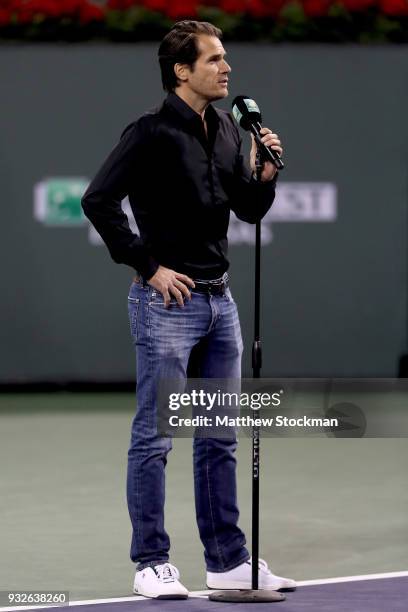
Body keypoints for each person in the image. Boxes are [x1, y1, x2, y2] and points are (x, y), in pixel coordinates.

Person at [81, 19, 296, 600]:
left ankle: (228, 562)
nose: (227, 68)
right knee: (156, 437)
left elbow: (247, 210)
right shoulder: (149, 133)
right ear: (182, 70)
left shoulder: (227, 129)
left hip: (219, 304)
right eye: (214, 60)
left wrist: (266, 174)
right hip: (166, 307)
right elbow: (97, 199)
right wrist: (147, 267)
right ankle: (151, 562)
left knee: (218, 435)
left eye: (225, 59)